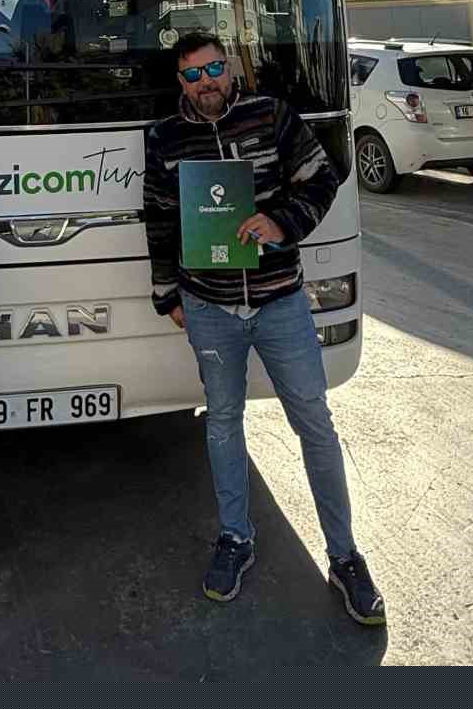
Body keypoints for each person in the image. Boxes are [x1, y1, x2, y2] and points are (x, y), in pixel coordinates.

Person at [142, 31, 386, 626]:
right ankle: (235, 538)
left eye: (213, 69)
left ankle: (344, 556)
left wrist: (282, 223)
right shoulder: (164, 138)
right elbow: (159, 217)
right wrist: (166, 293)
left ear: (230, 68)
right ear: (180, 82)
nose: (205, 83)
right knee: (223, 423)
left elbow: (322, 180)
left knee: (315, 424)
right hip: (209, 309)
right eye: (192, 75)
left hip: (280, 304)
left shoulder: (272, 116)